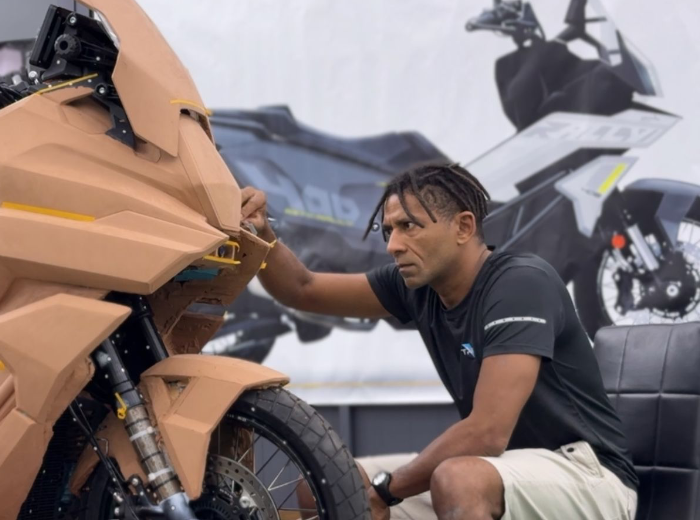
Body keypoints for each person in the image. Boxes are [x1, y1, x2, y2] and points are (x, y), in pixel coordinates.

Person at [241, 163, 638, 520]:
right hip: (497, 467)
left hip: (588, 475)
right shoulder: (416, 286)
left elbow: (487, 431)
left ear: (463, 227)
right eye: (388, 230)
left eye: (408, 226)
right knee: (324, 486)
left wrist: (386, 490)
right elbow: (303, 289)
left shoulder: (520, 284)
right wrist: (262, 232)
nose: (393, 245)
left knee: (458, 479)